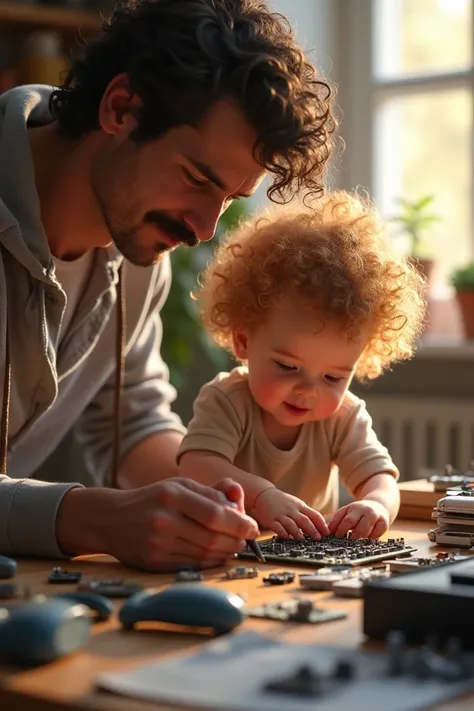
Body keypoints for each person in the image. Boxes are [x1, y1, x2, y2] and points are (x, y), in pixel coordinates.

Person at [0, 0, 336, 569]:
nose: (204, 229)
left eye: (227, 199)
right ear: (121, 108)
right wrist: (99, 518)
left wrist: (235, 501)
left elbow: (132, 427)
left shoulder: (139, 257)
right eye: (195, 178)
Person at [178, 191, 426, 540]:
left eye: (333, 376)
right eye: (288, 366)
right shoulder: (227, 400)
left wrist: (377, 505)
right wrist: (263, 497)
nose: (309, 390)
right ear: (244, 340)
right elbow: (197, 465)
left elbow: (380, 479)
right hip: (228, 551)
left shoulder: (344, 416)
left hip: (307, 560)